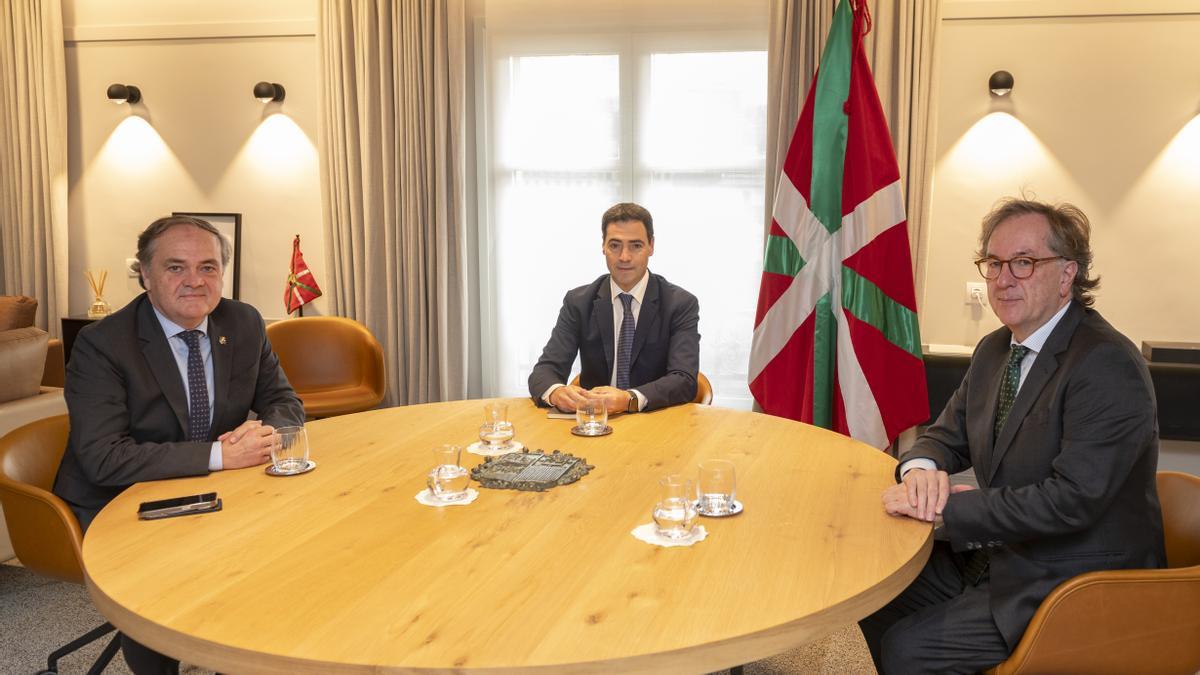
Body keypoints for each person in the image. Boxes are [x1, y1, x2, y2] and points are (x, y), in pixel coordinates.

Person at [859, 198, 1165, 674]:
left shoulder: (1106, 364)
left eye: (1024, 262)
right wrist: (920, 473)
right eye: (994, 263)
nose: (1003, 279)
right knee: (874, 588)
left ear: (1067, 274)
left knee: (909, 649)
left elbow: (1072, 501)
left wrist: (948, 508)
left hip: (1074, 578)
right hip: (1003, 553)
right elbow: (946, 435)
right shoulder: (996, 349)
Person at [53, 215, 304, 674]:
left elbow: (283, 401)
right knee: (162, 576)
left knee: (290, 544)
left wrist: (266, 432)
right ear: (145, 276)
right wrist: (221, 455)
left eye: (208, 267)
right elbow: (103, 458)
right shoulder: (102, 344)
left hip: (211, 485)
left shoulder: (243, 322)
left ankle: (242, 653)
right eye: (175, 267)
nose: (195, 280)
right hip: (118, 498)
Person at [528, 202, 700, 414]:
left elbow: (684, 379)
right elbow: (544, 371)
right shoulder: (578, 302)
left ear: (651, 246)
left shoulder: (680, 304)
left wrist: (629, 399)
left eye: (636, 246)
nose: (624, 257)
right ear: (603, 246)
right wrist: (556, 392)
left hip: (655, 420)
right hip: (595, 423)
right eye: (615, 245)